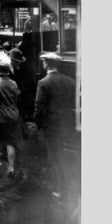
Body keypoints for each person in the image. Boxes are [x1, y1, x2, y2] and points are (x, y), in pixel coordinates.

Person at [34, 53, 76, 199]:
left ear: (46, 64)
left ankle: (62, 191)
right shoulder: (70, 81)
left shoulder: (43, 83)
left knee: (55, 158)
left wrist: (38, 125)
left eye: (44, 62)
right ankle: (71, 187)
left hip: (52, 126)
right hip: (68, 125)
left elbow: (39, 107)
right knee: (66, 156)